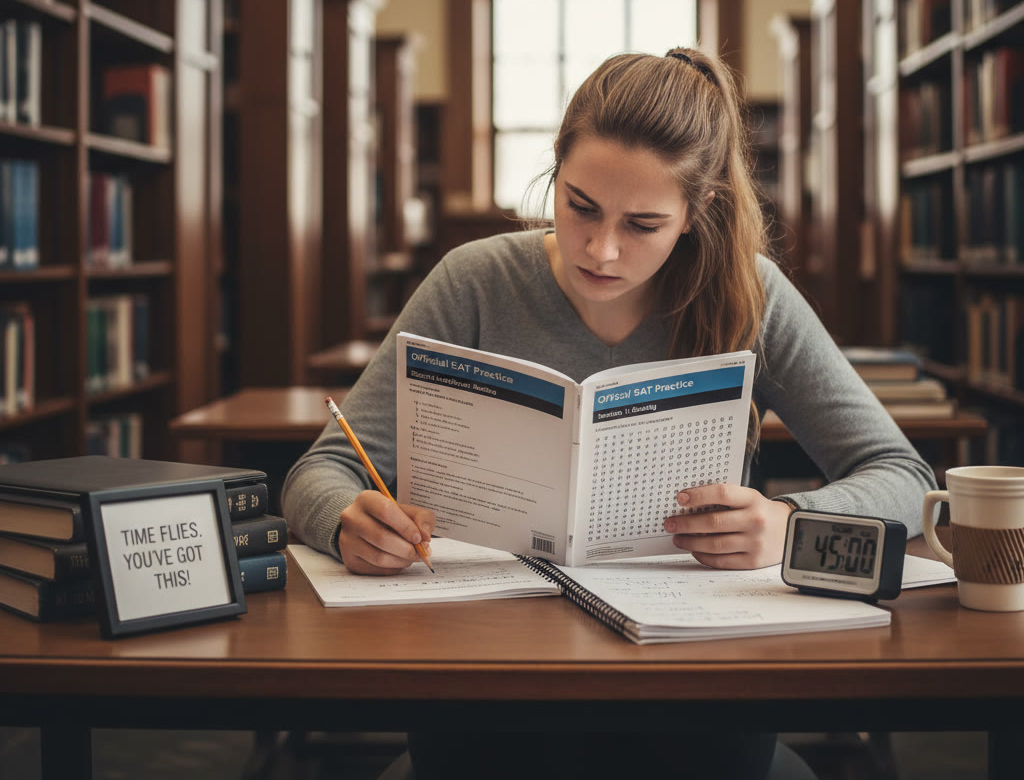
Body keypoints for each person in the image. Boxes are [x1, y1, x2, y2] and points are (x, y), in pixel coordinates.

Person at [282, 47, 936, 780]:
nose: (601, 248)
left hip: (693, 678)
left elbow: (906, 476)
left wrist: (791, 527)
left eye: (644, 224)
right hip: (487, 673)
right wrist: (347, 522)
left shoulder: (752, 295)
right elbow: (323, 468)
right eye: (580, 205)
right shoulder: (474, 282)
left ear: (697, 213)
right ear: (555, 172)